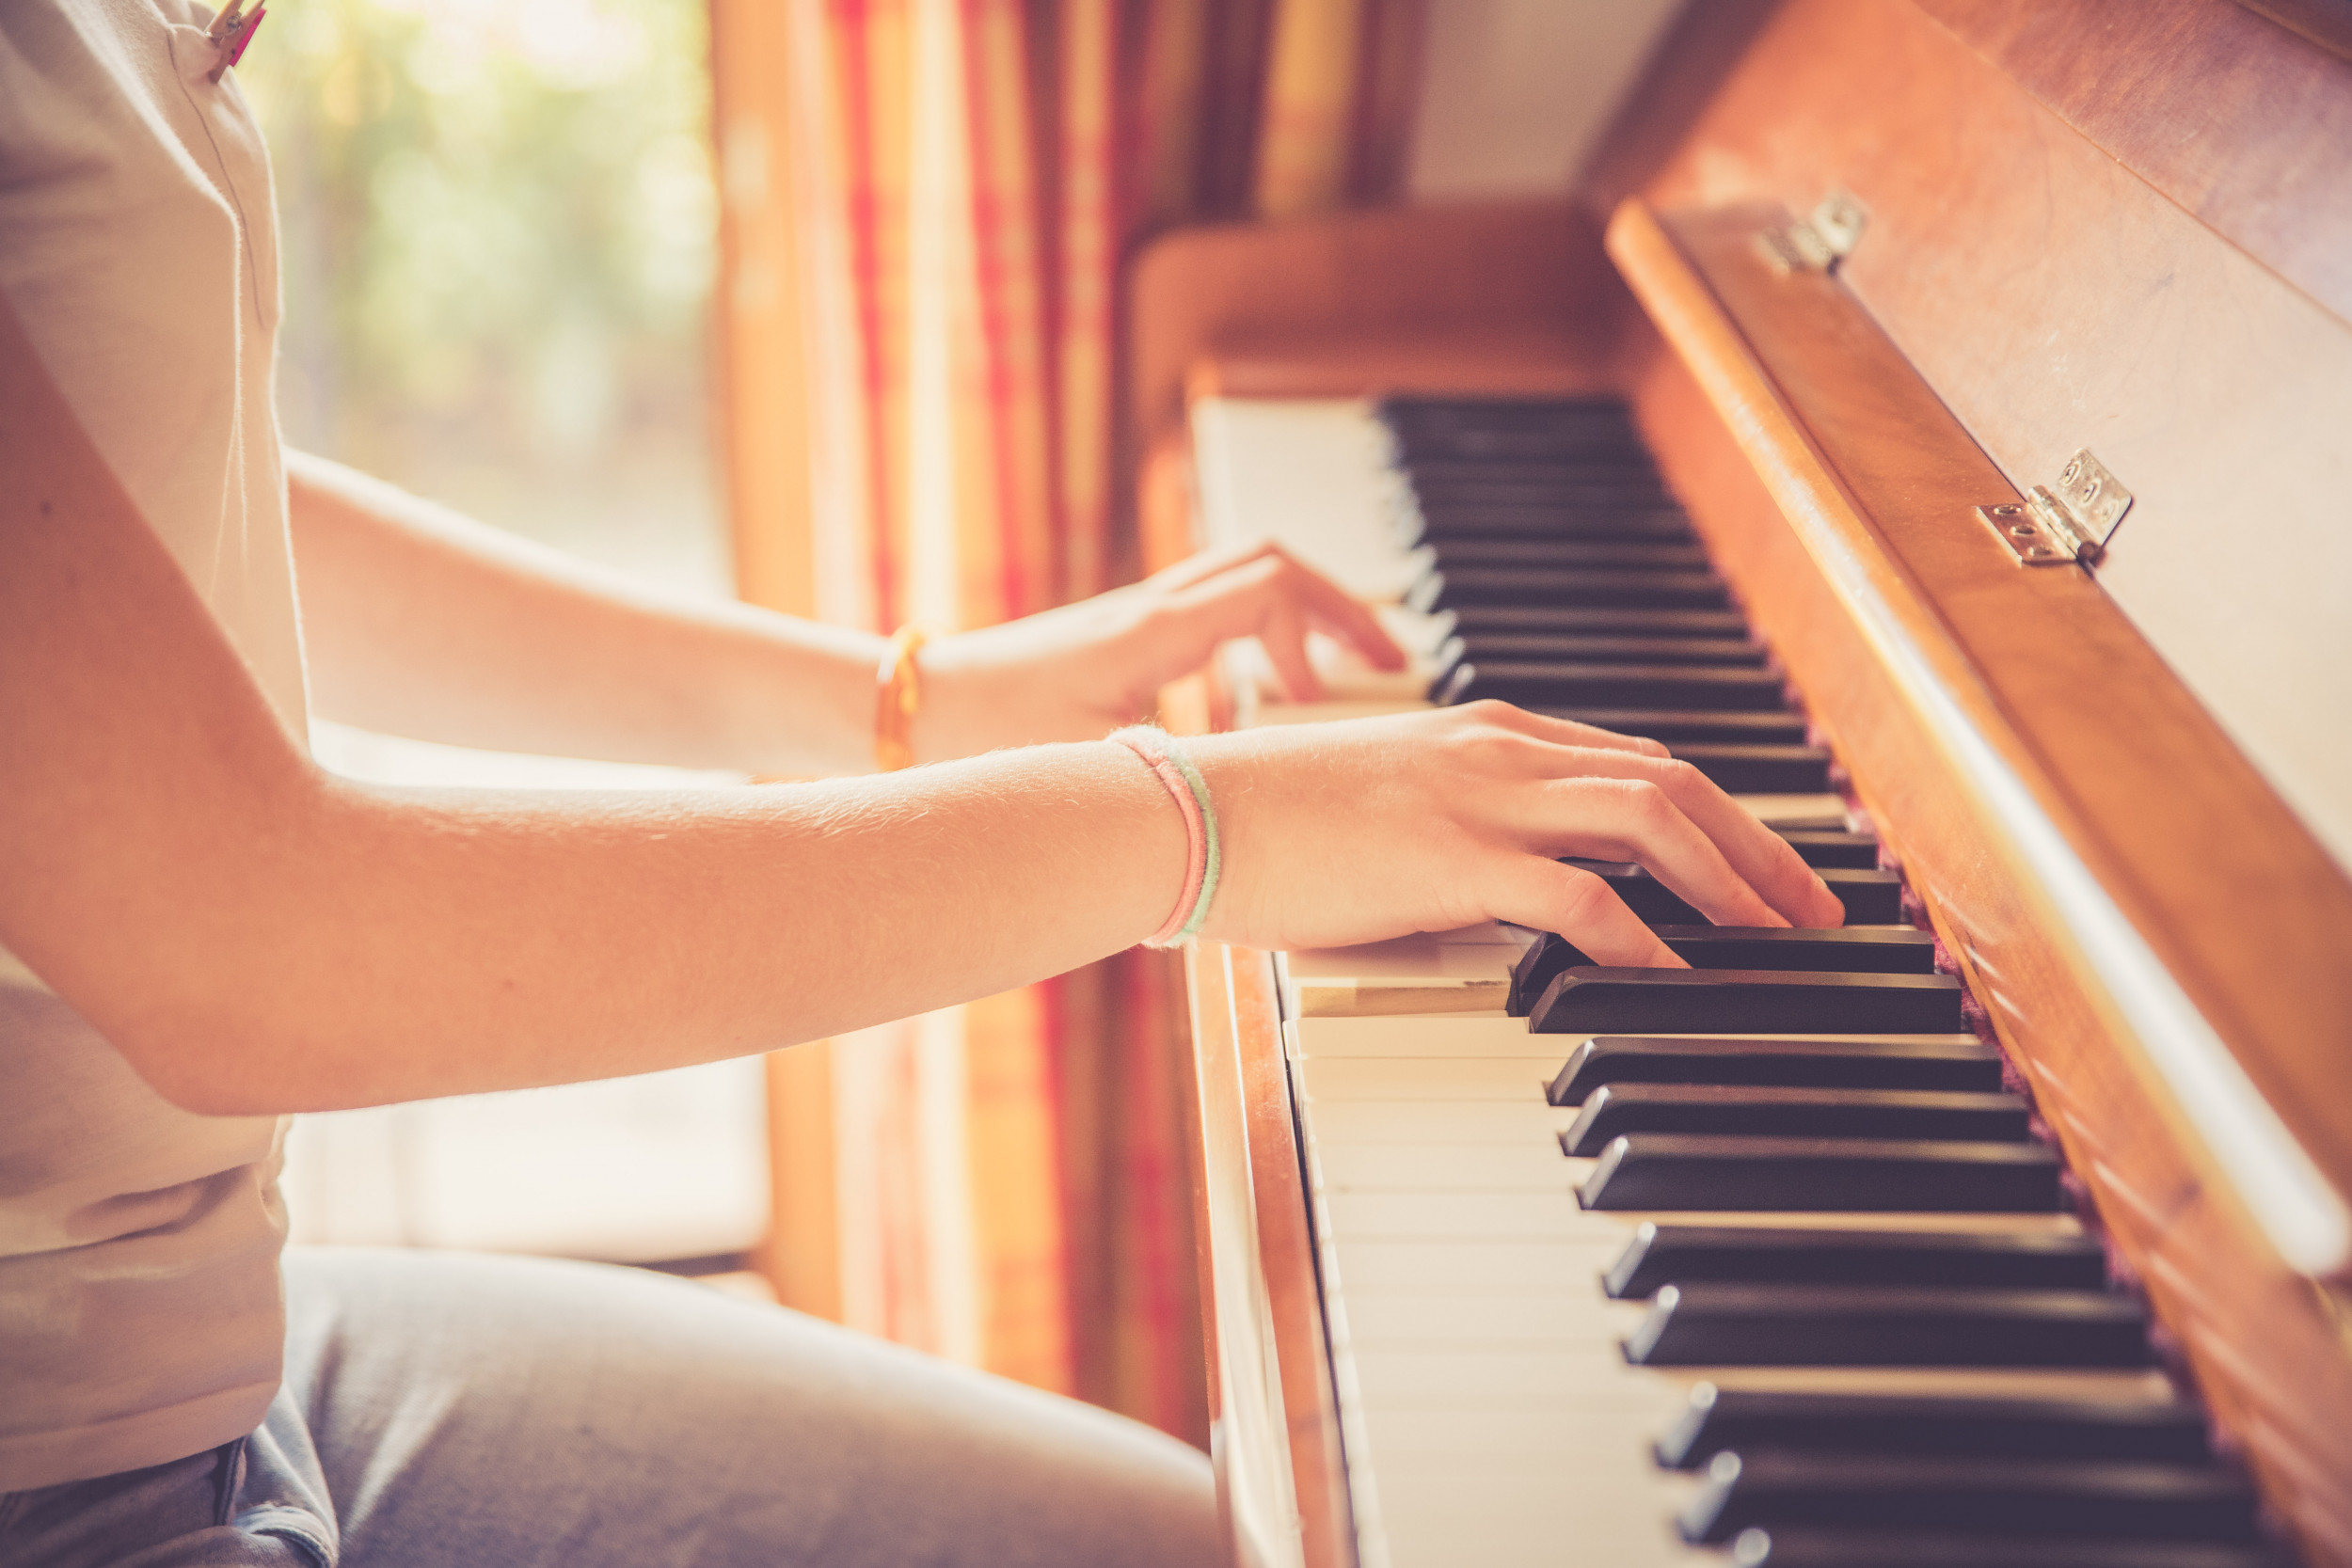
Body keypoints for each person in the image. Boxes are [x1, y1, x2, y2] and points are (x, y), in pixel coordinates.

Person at [0, 3, 1843, 1564]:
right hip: (75, 1478)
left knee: (1209, 1540)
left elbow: (153, 515)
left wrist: (907, 697)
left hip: (214, 1353)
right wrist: (1197, 822)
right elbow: (259, 951)